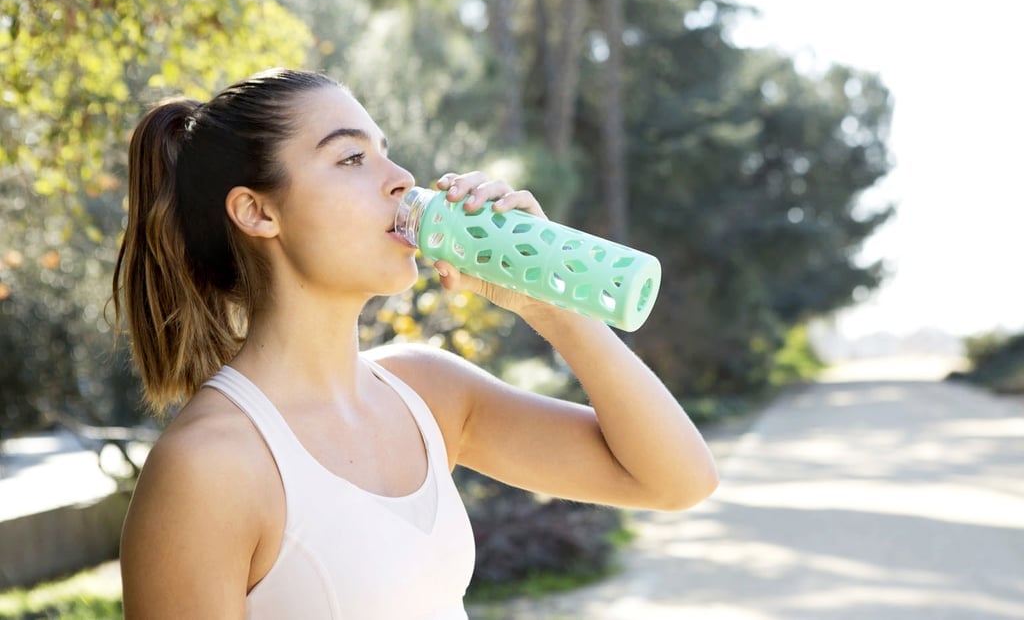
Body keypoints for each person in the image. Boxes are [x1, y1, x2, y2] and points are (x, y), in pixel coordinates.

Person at [112, 67, 718, 619]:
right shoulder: (210, 466)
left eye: (387, 152)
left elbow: (676, 480)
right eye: (351, 158)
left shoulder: (426, 392)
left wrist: (548, 305)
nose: (401, 179)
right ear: (257, 212)